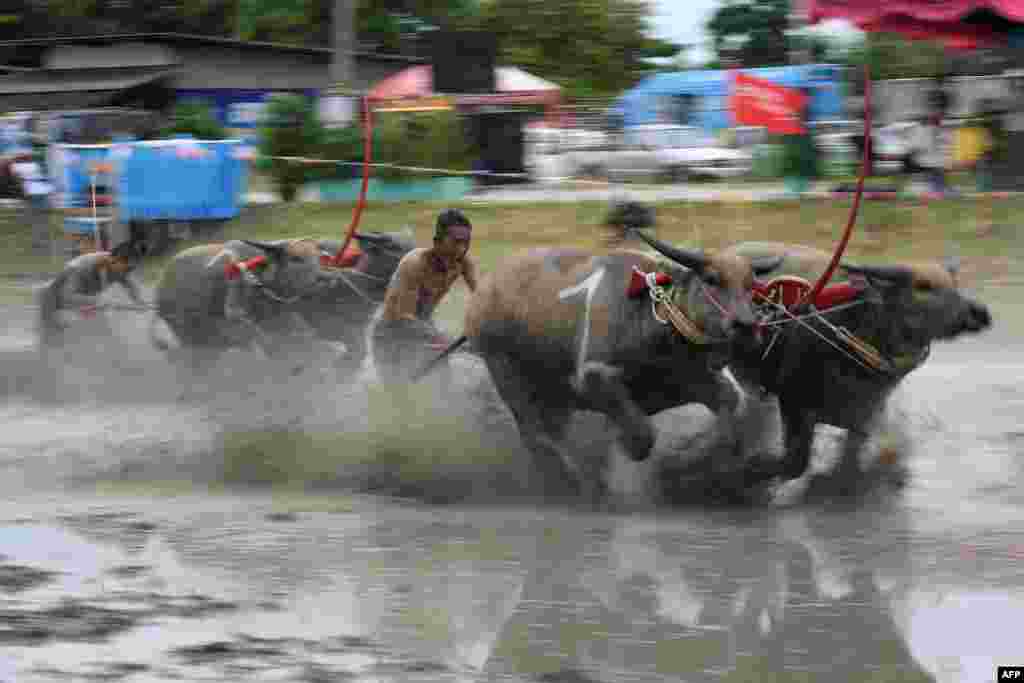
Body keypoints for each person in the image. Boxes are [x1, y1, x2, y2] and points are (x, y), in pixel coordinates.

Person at [372, 208, 478, 384]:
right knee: (397, 392)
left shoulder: (464, 262)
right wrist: (442, 337)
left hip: (425, 329)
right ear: (437, 242)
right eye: (456, 242)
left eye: (466, 243)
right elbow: (404, 317)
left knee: (444, 384)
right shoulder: (415, 264)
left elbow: (482, 296)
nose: (461, 250)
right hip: (391, 334)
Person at [38, 240, 146, 352]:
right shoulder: (81, 267)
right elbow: (67, 296)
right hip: (53, 300)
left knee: (104, 337)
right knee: (53, 345)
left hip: (82, 301)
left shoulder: (119, 267)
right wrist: (98, 300)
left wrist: (139, 301)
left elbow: (130, 285)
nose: (127, 272)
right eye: (127, 268)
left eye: (131, 269)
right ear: (113, 260)